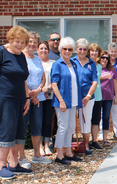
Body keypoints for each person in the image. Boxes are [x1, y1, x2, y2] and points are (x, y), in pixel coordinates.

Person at [0, 25, 32, 179]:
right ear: (10, 39)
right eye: (17, 41)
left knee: (18, 131)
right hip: (3, 98)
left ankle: (14, 164)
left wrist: (27, 98)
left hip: (19, 99)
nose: (20, 45)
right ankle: (0, 166)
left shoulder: (21, 56)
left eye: (23, 42)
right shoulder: (0, 52)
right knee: (7, 130)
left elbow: (23, 79)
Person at [20, 32, 52, 166]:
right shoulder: (20, 57)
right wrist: (29, 94)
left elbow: (43, 77)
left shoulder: (37, 58)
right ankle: (21, 157)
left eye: (35, 42)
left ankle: (37, 155)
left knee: (37, 125)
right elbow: (20, 77)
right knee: (22, 126)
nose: (32, 44)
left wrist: (38, 90)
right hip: (24, 97)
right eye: (30, 41)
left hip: (38, 97)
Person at [51, 36, 83, 165]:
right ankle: (59, 155)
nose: (67, 51)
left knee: (71, 127)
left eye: (70, 49)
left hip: (73, 101)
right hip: (63, 102)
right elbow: (54, 84)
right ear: (60, 49)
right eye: (65, 49)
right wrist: (61, 101)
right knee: (63, 127)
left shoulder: (74, 64)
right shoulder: (57, 64)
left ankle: (69, 152)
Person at [72, 38, 98, 156]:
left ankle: (86, 146)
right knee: (71, 121)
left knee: (85, 121)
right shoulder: (71, 61)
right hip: (73, 97)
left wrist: (88, 96)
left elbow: (94, 82)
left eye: (84, 49)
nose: (82, 51)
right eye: (80, 49)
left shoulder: (91, 63)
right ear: (76, 49)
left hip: (87, 99)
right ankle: (70, 145)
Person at [37, 41, 55, 156]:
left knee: (48, 121)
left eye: (46, 48)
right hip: (37, 96)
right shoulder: (34, 62)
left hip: (49, 96)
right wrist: (39, 90)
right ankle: (39, 146)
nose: (44, 50)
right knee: (38, 121)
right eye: (41, 48)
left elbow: (55, 80)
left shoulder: (53, 63)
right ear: (37, 50)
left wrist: (47, 89)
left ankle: (46, 145)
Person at [99, 51, 117, 146]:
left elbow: (115, 84)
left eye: (107, 58)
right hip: (97, 97)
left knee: (106, 117)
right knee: (96, 117)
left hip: (108, 97)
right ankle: (96, 137)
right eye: (103, 57)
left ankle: (105, 138)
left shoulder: (111, 69)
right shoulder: (97, 68)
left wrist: (116, 96)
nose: (105, 60)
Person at [87, 43, 103, 150]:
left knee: (96, 120)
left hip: (98, 96)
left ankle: (94, 140)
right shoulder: (86, 65)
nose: (94, 53)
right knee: (87, 120)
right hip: (88, 96)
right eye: (92, 51)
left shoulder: (99, 66)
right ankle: (86, 141)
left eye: (96, 51)